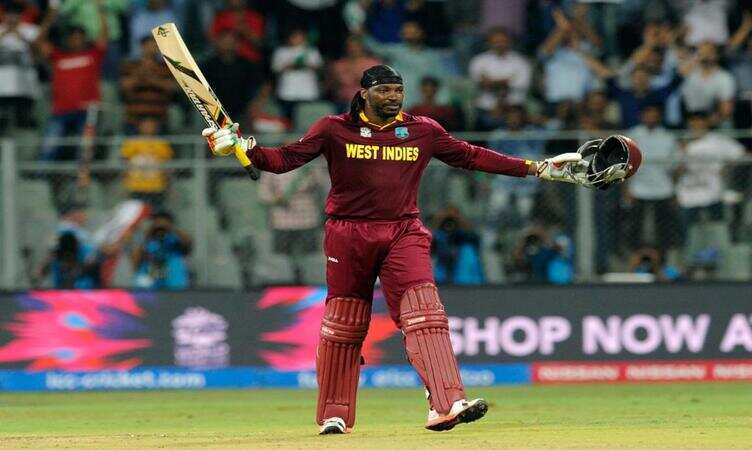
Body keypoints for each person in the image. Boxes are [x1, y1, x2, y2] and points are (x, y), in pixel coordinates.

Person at [202, 65, 587, 434]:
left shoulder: (423, 130)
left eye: (398, 90)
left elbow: (472, 156)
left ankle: (446, 402)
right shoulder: (334, 128)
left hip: (403, 230)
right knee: (344, 324)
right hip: (348, 233)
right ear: (364, 93)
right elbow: (284, 160)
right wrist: (242, 147)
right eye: (384, 90)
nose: (393, 97)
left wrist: (537, 168)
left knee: (425, 313)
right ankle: (334, 414)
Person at [35, 3, 107, 160]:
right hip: (61, 111)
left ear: (85, 39)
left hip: (88, 112)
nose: (76, 40)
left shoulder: (93, 55)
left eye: (79, 37)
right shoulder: (58, 57)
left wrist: (100, 10)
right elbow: (38, 43)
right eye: (73, 37)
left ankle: (82, 175)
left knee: (85, 150)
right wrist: (50, 17)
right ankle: (42, 175)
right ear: (67, 40)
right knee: (48, 148)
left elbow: (103, 37)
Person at [120, 36, 176, 132]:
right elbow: (125, 86)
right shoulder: (130, 65)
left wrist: (152, 79)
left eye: (155, 46)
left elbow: (171, 87)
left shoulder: (165, 67)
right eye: (150, 45)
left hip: (159, 116)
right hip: (134, 116)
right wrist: (141, 73)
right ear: (142, 47)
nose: (153, 48)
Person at [120, 116, 174, 209]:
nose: (148, 127)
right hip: (135, 185)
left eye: (151, 125)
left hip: (156, 185)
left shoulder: (162, 143)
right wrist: (124, 182)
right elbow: (124, 162)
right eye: (146, 125)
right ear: (140, 126)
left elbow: (168, 164)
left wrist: (168, 184)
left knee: (155, 211)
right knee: (136, 211)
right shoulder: (132, 142)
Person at [132, 211, 192, 290]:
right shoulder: (146, 240)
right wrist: (148, 235)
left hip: (173, 283)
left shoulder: (175, 238)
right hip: (151, 282)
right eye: (156, 223)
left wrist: (171, 229)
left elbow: (189, 244)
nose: (160, 227)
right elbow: (135, 263)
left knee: (175, 262)